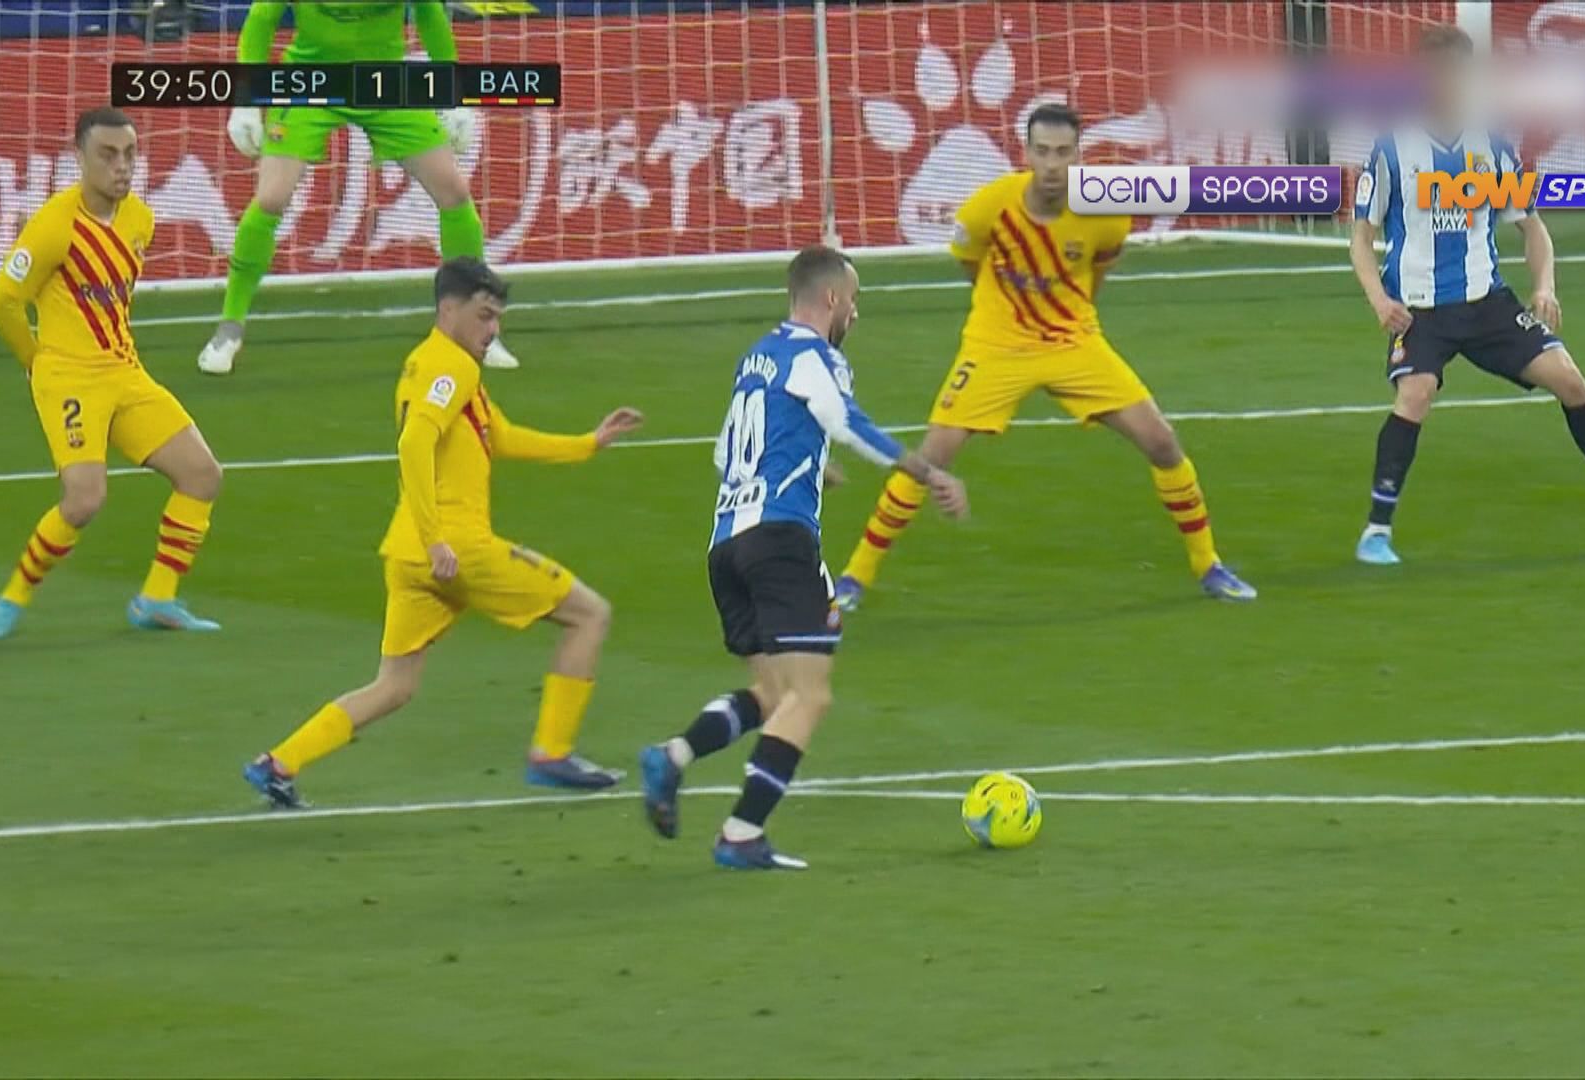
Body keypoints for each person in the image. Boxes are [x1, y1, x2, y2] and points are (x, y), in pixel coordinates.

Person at [242, 258, 640, 808]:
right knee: (590, 614)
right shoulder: (452, 368)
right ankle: (551, 753)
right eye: (484, 315)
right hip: (454, 548)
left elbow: (500, 436)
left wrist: (586, 444)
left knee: (394, 685)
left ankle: (278, 763)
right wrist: (437, 538)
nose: (493, 329)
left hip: (407, 556)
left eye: (498, 317)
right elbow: (414, 442)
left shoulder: (430, 363)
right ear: (448, 309)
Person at [834, 103, 1254, 609]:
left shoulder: (1106, 212)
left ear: (1078, 156)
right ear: (1026, 153)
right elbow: (970, 264)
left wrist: (1071, 318)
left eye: (1063, 153)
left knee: (1161, 441)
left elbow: (1100, 268)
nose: (1052, 164)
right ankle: (854, 577)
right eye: (1043, 151)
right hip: (998, 344)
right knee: (933, 454)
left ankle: (1209, 565)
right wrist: (1004, 314)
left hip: (1073, 341)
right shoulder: (988, 207)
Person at [636, 245, 968, 870]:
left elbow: (726, 453)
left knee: (772, 692)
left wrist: (815, 464)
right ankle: (741, 834)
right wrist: (928, 473)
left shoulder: (757, 357)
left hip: (726, 544)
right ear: (832, 299)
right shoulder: (819, 357)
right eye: (855, 301)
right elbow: (845, 421)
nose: (856, 315)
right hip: (780, 542)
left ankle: (673, 756)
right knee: (810, 698)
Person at [1349, 24, 1585, 565]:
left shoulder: (1491, 148)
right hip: (1420, 311)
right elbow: (1360, 239)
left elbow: (1533, 228)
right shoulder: (1392, 150)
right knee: (1416, 394)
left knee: (1569, 379)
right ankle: (1376, 532)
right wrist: (1379, 301)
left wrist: (1545, 286)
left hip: (1488, 304)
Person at [0, 107, 224, 639]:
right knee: (85, 499)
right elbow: (2, 303)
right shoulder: (53, 226)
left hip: (124, 372)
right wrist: (35, 361)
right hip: (68, 379)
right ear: (79, 158)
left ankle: (157, 598)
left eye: (130, 154)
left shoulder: (139, 220)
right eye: (108, 155)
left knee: (202, 476)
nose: (122, 166)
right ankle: (11, 601)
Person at [199, 0, 524, 374]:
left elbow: (430, 15)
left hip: (383, 80)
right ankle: (229, 328)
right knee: (271, 198)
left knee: (453, 191)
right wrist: (244, 100)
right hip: (309, 79)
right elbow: (261, 19)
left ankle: (478, 327)